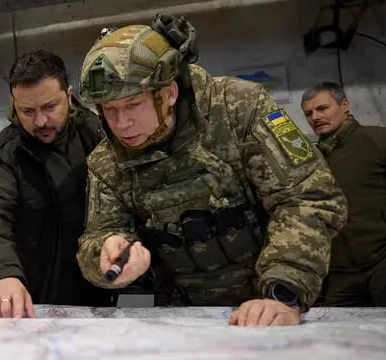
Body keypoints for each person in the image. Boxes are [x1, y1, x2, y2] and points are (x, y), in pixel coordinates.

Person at [75, 15, 347, 326]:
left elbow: (308, 198)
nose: (121, 124)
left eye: (133, 104)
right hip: (183, 320)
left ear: (169, 93)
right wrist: (105, 253)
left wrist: (283, 292)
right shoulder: (106, 161)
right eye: (109, 110)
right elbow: (96, 238)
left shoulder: (239, 109)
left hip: (272, 304)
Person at [0, 50, 114, 318]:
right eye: (27, 111)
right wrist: (1, 274)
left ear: (68, 96)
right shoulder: (5, 153)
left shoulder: (99, 135)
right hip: (40, 297)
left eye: (49, 107)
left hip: (107, 290)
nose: (40, 121)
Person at [302, 82, 386, 306]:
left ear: (345, 105)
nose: (315, 117)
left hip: (379, 264)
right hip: (338, 274)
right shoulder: (313, 157)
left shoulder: (376, 139)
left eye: (322, 108)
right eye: (309, 113)